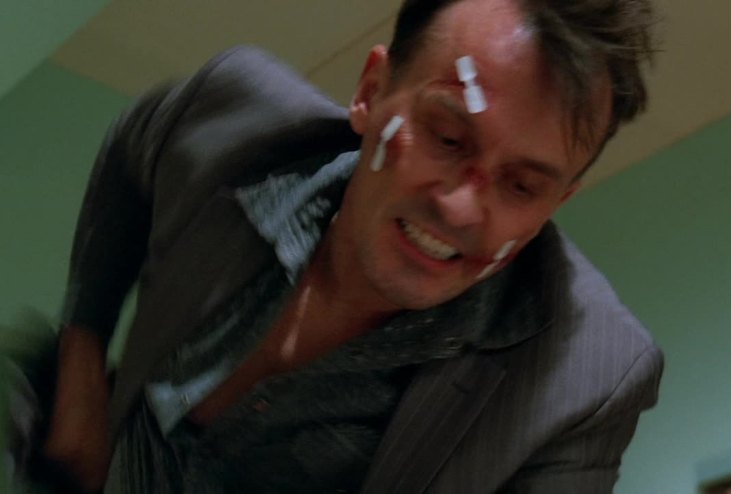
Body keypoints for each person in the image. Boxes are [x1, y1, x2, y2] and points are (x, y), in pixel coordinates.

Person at [35, 0, 664, 491]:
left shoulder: (588, 381)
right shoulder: (231, 115)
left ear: (558, 203)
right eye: (447, 138)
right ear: (370, 91)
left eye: (523, 186)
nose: (460, 207)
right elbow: (133, 147)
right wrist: (81, 351)